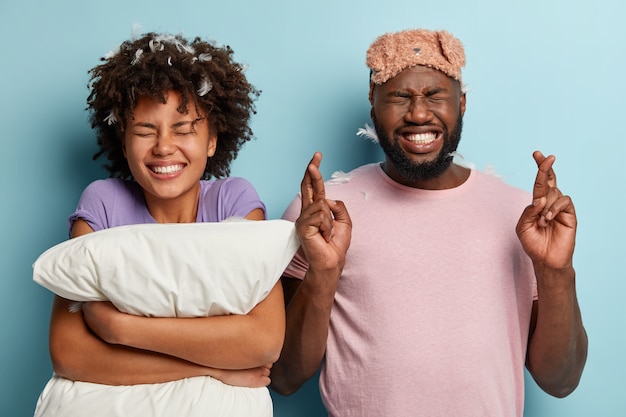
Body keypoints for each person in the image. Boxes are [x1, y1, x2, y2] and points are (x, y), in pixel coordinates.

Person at [271, 29, 588, 417]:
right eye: (400, 97)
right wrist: (322, 272)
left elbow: (561, 381)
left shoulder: (521, 216)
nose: (419, 113)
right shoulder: (325, 213)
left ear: (463, 103)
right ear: (373, 105)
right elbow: (284, 378)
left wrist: (555, 271)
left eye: (436, 95)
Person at [46, 31, 284, 401]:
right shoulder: (103, 204)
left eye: (183, 129)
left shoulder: (234, 201)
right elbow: (69, 354)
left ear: (211, 139)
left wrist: (117, 327)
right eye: (144, 130)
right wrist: (211, 365)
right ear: (123, 141)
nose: (163, 147)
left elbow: (262, 341)